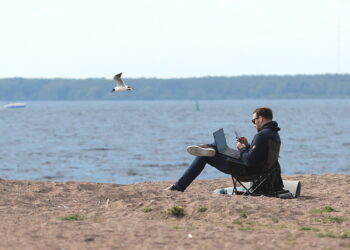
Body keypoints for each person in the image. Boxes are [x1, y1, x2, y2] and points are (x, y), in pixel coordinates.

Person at [166, 107, 284, 193]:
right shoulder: (273, 134)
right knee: (217, 146)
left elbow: (249, 161)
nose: (253, 124)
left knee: (203, 156)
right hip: (258, 169)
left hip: (247, 171)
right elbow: (258, 156)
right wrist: (247, 145)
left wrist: (242, 149)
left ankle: (179, 187)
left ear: (261, 118)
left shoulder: (262, 135)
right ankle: (211, 147)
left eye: (254, 121)